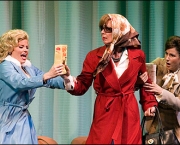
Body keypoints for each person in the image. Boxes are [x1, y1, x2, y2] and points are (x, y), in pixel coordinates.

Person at [62, 14, 158, 144]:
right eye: (102, 28)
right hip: (105, 111)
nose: (103, 32)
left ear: (120, 31)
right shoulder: (94, 56)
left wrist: (149, 103)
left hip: (128, 110)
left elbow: (145, 81)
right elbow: (82, 85)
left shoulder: (137, 55)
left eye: (108, 29)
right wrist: (67, 78)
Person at [0, 29, 65, 144]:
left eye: (27, 47)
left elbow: (48, 79)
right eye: (21, 47)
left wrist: (70, 82)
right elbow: (20, 82)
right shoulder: (5, 66)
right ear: (10, 48)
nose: (25, 50)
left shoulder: (28, 67)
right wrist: (47, 75)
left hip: (23, 118)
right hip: (6, 117)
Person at [139, 36, 180, 142]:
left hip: (174, 123)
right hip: (155, 121)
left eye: (172, 55)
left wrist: (161, 92)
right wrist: (148, 105)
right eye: (166, 53)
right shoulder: (158, 64)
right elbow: (143, 79)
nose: (167, 58)